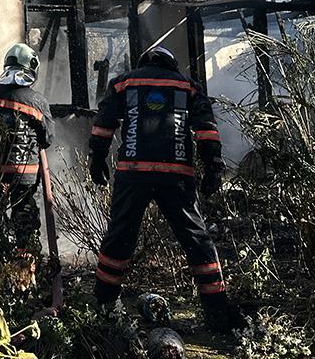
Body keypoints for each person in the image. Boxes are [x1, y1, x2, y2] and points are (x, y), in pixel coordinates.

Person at [88, 46, 240, 330]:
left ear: (144, 60)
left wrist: (96, 161)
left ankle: (104, 305)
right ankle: (217, 312)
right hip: (177, 176)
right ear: (172, 63)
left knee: (119, 237)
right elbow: (206, 130)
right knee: (197, 241)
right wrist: (213, 169)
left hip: (133, 174)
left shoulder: (123, 83)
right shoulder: (187, 86)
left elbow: (103, 125)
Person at [0, 43, 53, 247]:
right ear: (32, 68)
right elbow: (47, 139)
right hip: (25, 174)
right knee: (24, 217)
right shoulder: (37, 101)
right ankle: (23, 259)